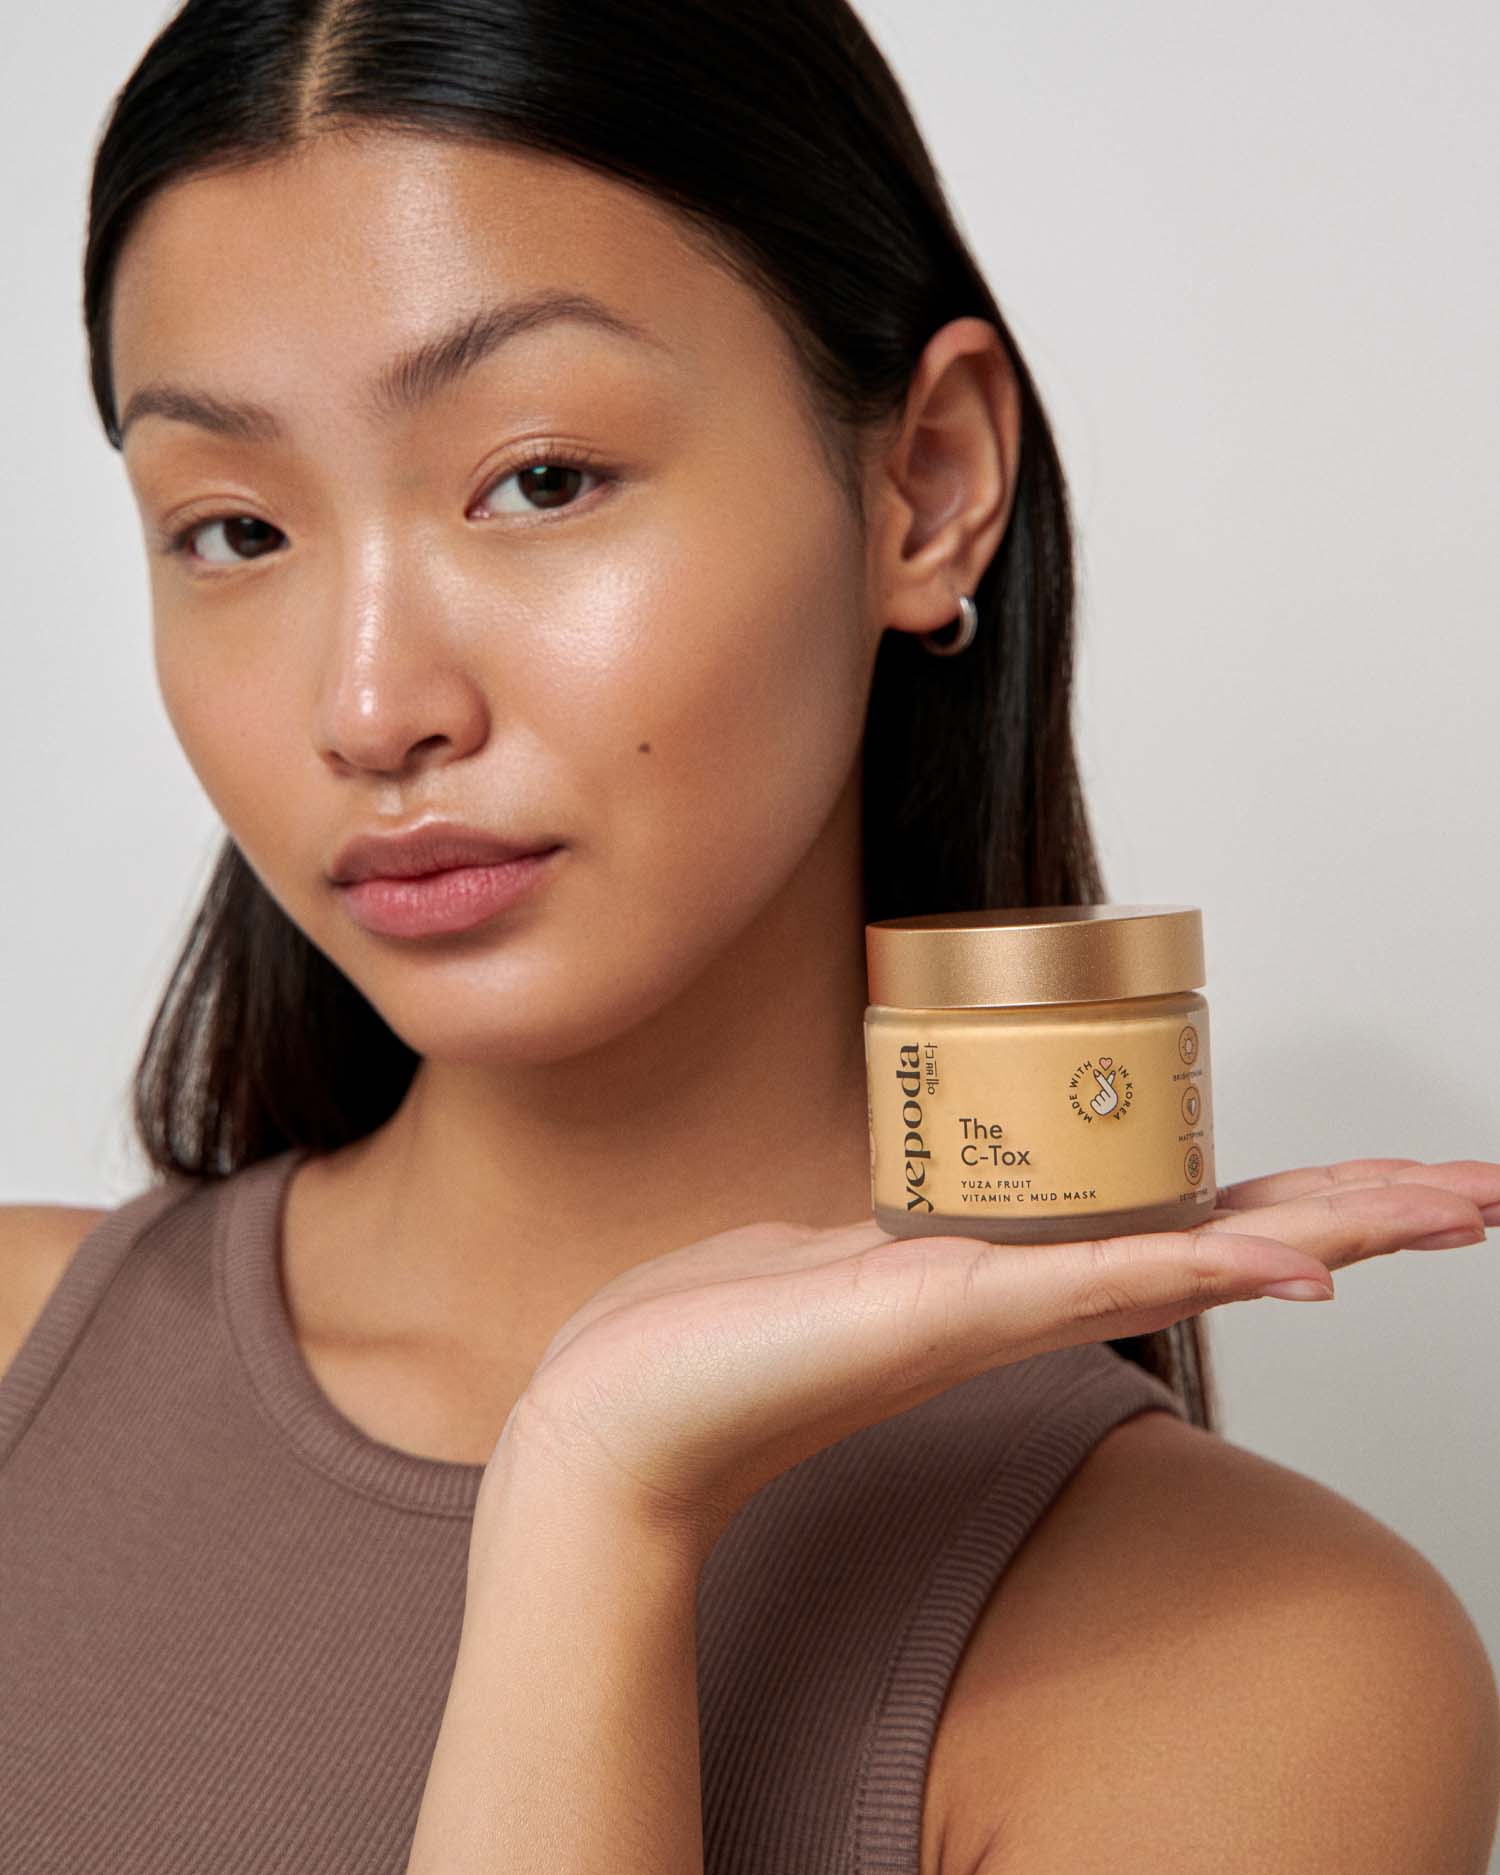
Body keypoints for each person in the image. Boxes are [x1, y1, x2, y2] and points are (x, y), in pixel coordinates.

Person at [3, 1, 1497, 1869]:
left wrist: (600, 1508)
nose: (370, 707)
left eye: (540, 479)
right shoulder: (22, 1361)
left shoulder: (1259, 1670)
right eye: (232, 531)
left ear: (927, 483)